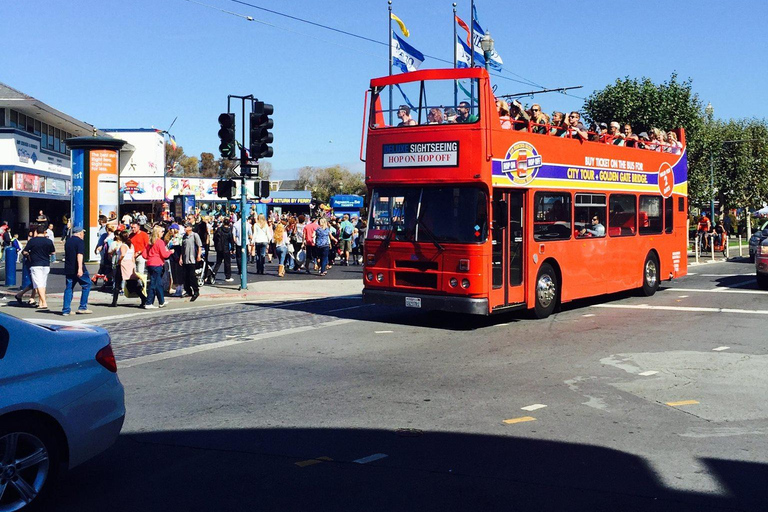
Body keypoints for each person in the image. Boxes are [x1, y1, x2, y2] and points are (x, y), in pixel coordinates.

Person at [22, 224, 55, 311]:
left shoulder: (32, 241)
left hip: (35, 264)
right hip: (46, 264)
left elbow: (25, 251)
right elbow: (52, 252)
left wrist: (28, 254)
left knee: (38, 284)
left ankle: (44, 302)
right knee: (43, 284)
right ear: (45, 232)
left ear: (37, 231)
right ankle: (40, 302)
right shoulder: (49, 241)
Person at [61, 226, 92, 316]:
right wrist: (80, 268)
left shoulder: (68, 241)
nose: (83, 234)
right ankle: (83, 307)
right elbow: (79, 255)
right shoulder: (80, 242)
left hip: (69, 268)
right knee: (87, 284)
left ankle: (66, 309)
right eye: (83, 232)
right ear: (80, 233)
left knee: (69, 288)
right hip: (77, 268)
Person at [144, 225, 173, 309]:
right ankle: (149, 302)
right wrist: (170, 252)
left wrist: (150, 257)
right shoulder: (159, 242)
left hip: (150, 263)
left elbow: (144, 254)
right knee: (153, 283)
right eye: (161, 232)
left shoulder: (149, 242)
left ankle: (161, 301)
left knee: (158, 283)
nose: (163, 233)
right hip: (157, 264)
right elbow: (164, 254)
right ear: (157, 233)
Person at [181, 222, 202, 301]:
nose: (185, 228)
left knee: (192, 276)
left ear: (190, 228)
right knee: (185, 276)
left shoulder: (194, 235)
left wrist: (199, 255)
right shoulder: (184, 237)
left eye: (186, 227)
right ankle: (188, 290)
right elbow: (182, 248)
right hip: (185, 258)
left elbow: (199, 246)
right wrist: (181, 258)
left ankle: (196, 291)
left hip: (192, 258)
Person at [212, 218, 234, 282]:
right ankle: (228, 276)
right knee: (227, 263)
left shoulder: (219, 229)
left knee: (218, 262)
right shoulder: (229, 231)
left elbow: (215, 238)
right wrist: (232, 248)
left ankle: (213, 274)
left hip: (219, 248)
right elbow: (231, 240)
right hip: (226, 248)